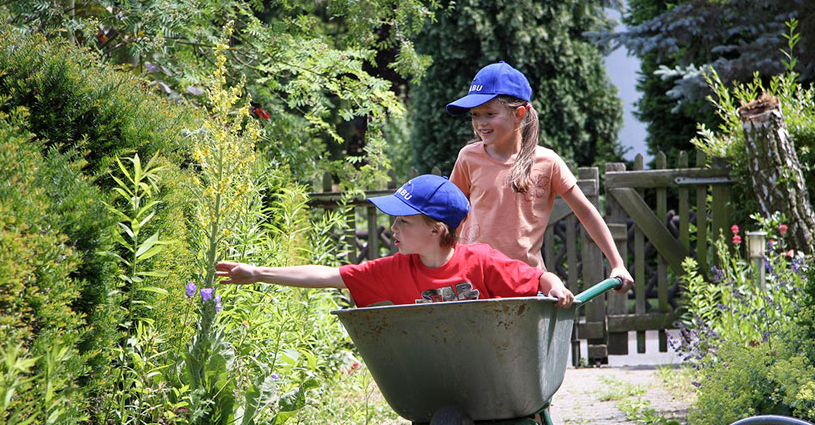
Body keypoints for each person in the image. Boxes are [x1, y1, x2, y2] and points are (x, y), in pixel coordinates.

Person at [216, 174, 574, 308]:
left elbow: (540, 279)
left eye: (403, 221)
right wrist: (258, 273)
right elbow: (329, 276)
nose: (393, 229)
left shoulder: (481, 261)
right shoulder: (395, 269)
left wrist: (556, 287)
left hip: (490, 366)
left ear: (436, 229)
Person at [446, 61, 635, 292]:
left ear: (519, 114)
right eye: (475, 115)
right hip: (475, 280)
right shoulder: (468, 157)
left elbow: (586, 212)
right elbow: (449, 216)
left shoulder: (548, 162)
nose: (480, 123)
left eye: (490, 114)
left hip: (525, 282)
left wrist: (617, 264)